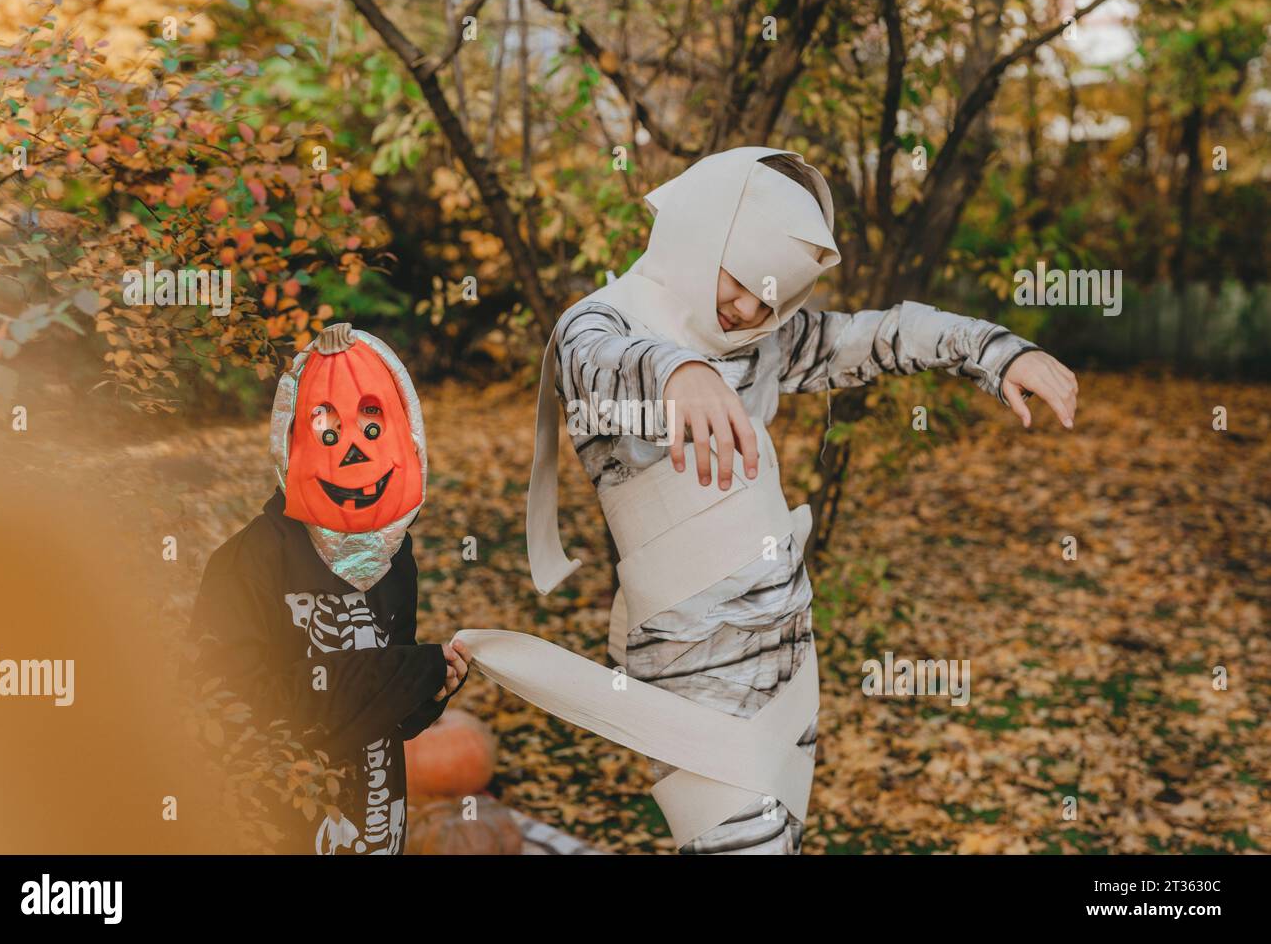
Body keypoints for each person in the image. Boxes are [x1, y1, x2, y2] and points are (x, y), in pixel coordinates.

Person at [526, 146, 1077, 854]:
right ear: (698, 230)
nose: (751, 309)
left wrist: (993, 350)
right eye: (741, 281)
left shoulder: (764, 340)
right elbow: (597, 365)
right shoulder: (600, 325)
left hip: (790, 650)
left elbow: (878, 335)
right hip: (696, 667)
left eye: (773, 296)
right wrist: (679, 371)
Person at [191, 322, 472, 855]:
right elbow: (238, 711)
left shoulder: (394, 560)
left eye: (373, 430)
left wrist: (426, 693)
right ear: (292, 441)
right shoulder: (247, 563)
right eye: (327, 433)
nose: (354, 454)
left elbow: (378, 707)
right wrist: (410, 670)